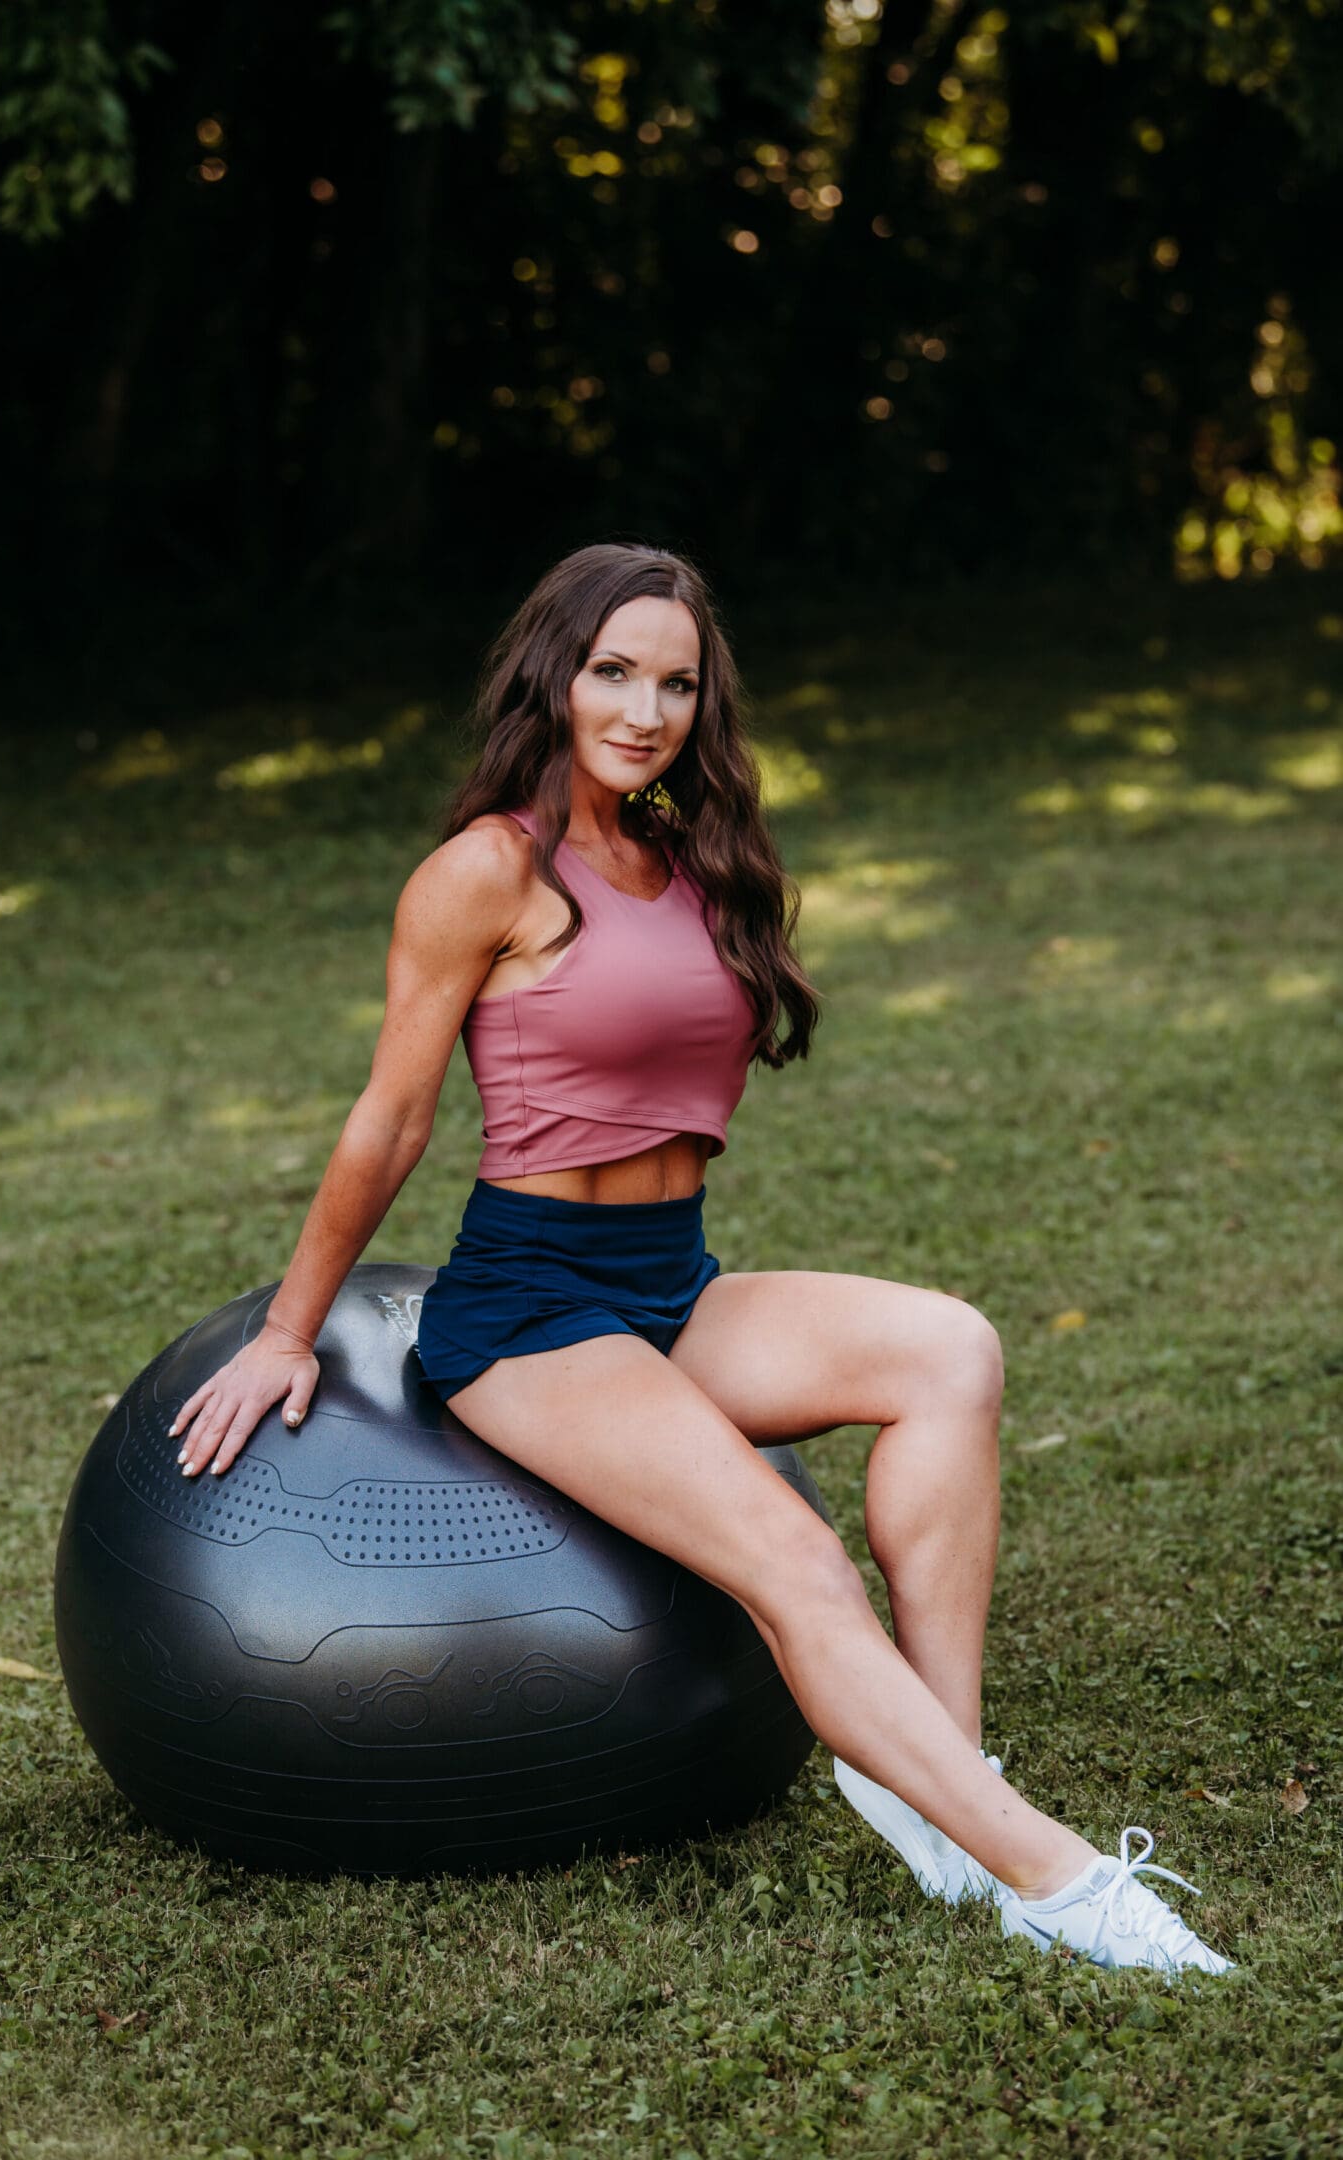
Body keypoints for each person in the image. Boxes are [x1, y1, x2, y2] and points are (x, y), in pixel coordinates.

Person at [167, 541, 1231, 1978]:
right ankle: (1054, 1880)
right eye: (613, 672)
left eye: (674, 682)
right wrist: (292, 1329)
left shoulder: (694, 854)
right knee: (793, 1556)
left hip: (668, 1281)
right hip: (530, 1309)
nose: (643, 709)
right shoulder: (486, 871)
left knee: (949, 1349)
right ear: (553, 675)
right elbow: (391, 1119)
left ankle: (927, 1771)